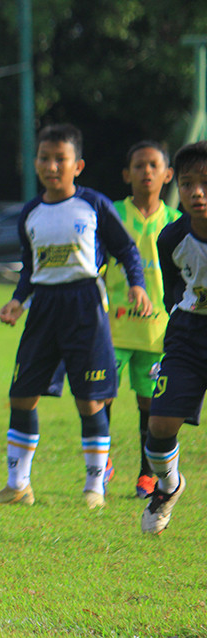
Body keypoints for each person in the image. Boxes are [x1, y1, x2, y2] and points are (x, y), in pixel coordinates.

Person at [0, 123, 152, 510]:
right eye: (44, 158)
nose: (51, 166)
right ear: (36, 163)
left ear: (78, 165)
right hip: (44, 308)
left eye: (61, 159)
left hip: (85, 304)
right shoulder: (31, 213)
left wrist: (137, 285)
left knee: (89, 401)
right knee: (21, 395)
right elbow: (30, 267)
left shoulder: (93, 204)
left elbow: (127, 250)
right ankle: (17, 486)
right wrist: (17, 301)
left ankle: (95, 488)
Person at [103, 141, 181, 498]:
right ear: (126, 174)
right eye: (138, 165)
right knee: (100, 396)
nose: (146, 172)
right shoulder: (113, 213)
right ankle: (100, 460)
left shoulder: (177, 222)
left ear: (167, 175)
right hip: (112, 326)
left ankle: (146, 474)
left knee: (150, 405)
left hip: (156, 330)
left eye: (153, 165)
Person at [139, 140, 207, 534]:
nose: (196, 192)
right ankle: (168, 486)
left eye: (205, 183)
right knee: (159, 427)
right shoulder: (170, 239)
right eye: (187, 184)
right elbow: (172, 294)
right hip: (188, 335)